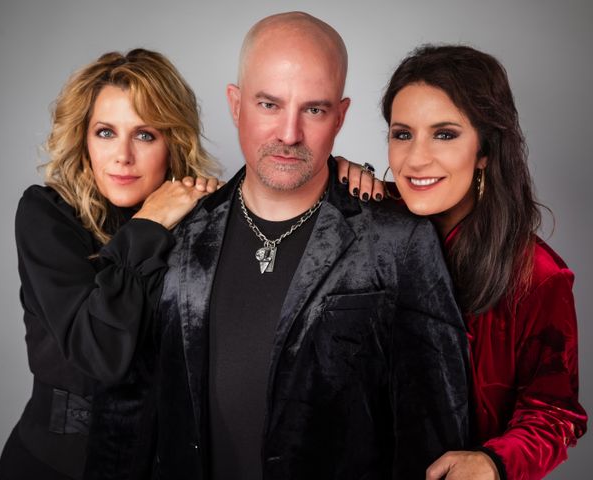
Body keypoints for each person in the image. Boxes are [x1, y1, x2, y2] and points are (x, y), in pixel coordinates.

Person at [150, 12, 469, 479]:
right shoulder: (179, 230)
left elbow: (435, 432)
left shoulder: (398, 241)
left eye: (314, 110)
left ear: (340, 116)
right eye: (269, 104)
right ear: (236, 105)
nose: (289, 133)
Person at [339, 44, 588, 480]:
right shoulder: (364, 217)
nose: (416, 159)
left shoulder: (536, 275)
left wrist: (493, 462)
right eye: (402, 134)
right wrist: (329, 179)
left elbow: (555, 412)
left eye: (445, 134)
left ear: (485, 149)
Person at [0, 49, 219, 480]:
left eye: (145, 135)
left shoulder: (202, 220)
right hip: (50, 467)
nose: (122, 156)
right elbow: (99, 351)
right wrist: (150, 223)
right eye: (105, 132)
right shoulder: (46, 216)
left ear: (173, 143)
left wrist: (339, 175)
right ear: (84, 139)